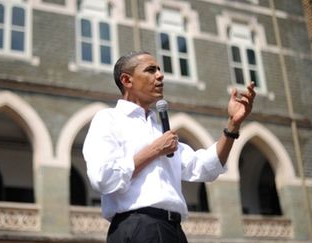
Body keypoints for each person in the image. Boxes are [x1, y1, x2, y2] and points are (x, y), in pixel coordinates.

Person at [82, 51, 256, 243]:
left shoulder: (160, 130)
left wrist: (233, 125)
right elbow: (103, 178)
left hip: (173, 230)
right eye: (150, 70)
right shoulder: (108, 119)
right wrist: (155, 150)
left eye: (159, 69)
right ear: (127, 80)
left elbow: (205, 167)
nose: (160, 75)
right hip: (138, 228)